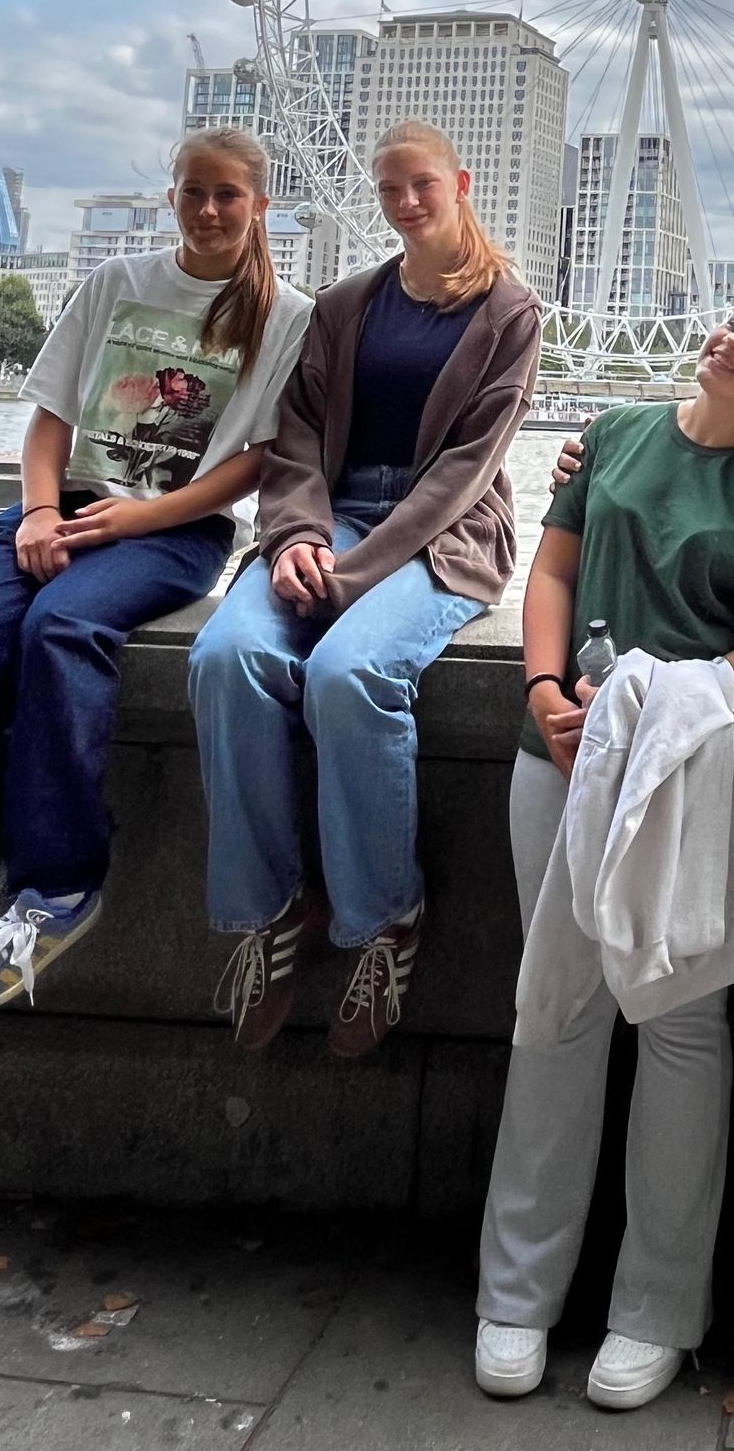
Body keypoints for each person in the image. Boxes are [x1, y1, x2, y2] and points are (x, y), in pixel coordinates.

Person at [0, 131, 311, 1022]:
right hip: (63, 507)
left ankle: (57, 886)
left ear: (260, 205)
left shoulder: (289, 317)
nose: (207, 210)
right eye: (193, 193)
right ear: (171, 198)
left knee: (61, 632)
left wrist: (140, 517)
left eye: (228, 195)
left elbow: (259, 463)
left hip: (172, 529)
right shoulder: (114, 284)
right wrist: (41, 513)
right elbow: (48, 420)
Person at [473, 299, 734, 1413]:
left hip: (704, 774)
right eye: (729, 324)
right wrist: (545, 687)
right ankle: (516, 1290)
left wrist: (666, 701)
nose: (729, 341)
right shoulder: (612, 433)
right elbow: (552, 575)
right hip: (557, 753)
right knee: (555, 1005)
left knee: (681, 1026)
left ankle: (657, 1306)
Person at [189, 119, 540, 1059]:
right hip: (333, 513)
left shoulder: (509, 312)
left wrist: (358, 572)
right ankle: (271, 911)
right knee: (228, 655)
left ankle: (386, 920)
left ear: (459, 182)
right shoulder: (345, 304)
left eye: (421, 184)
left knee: (350, 674)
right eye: (390, 191)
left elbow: (467, 467)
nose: (406, 204)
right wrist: (300, 535)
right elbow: (296, 434)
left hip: (445, 531)